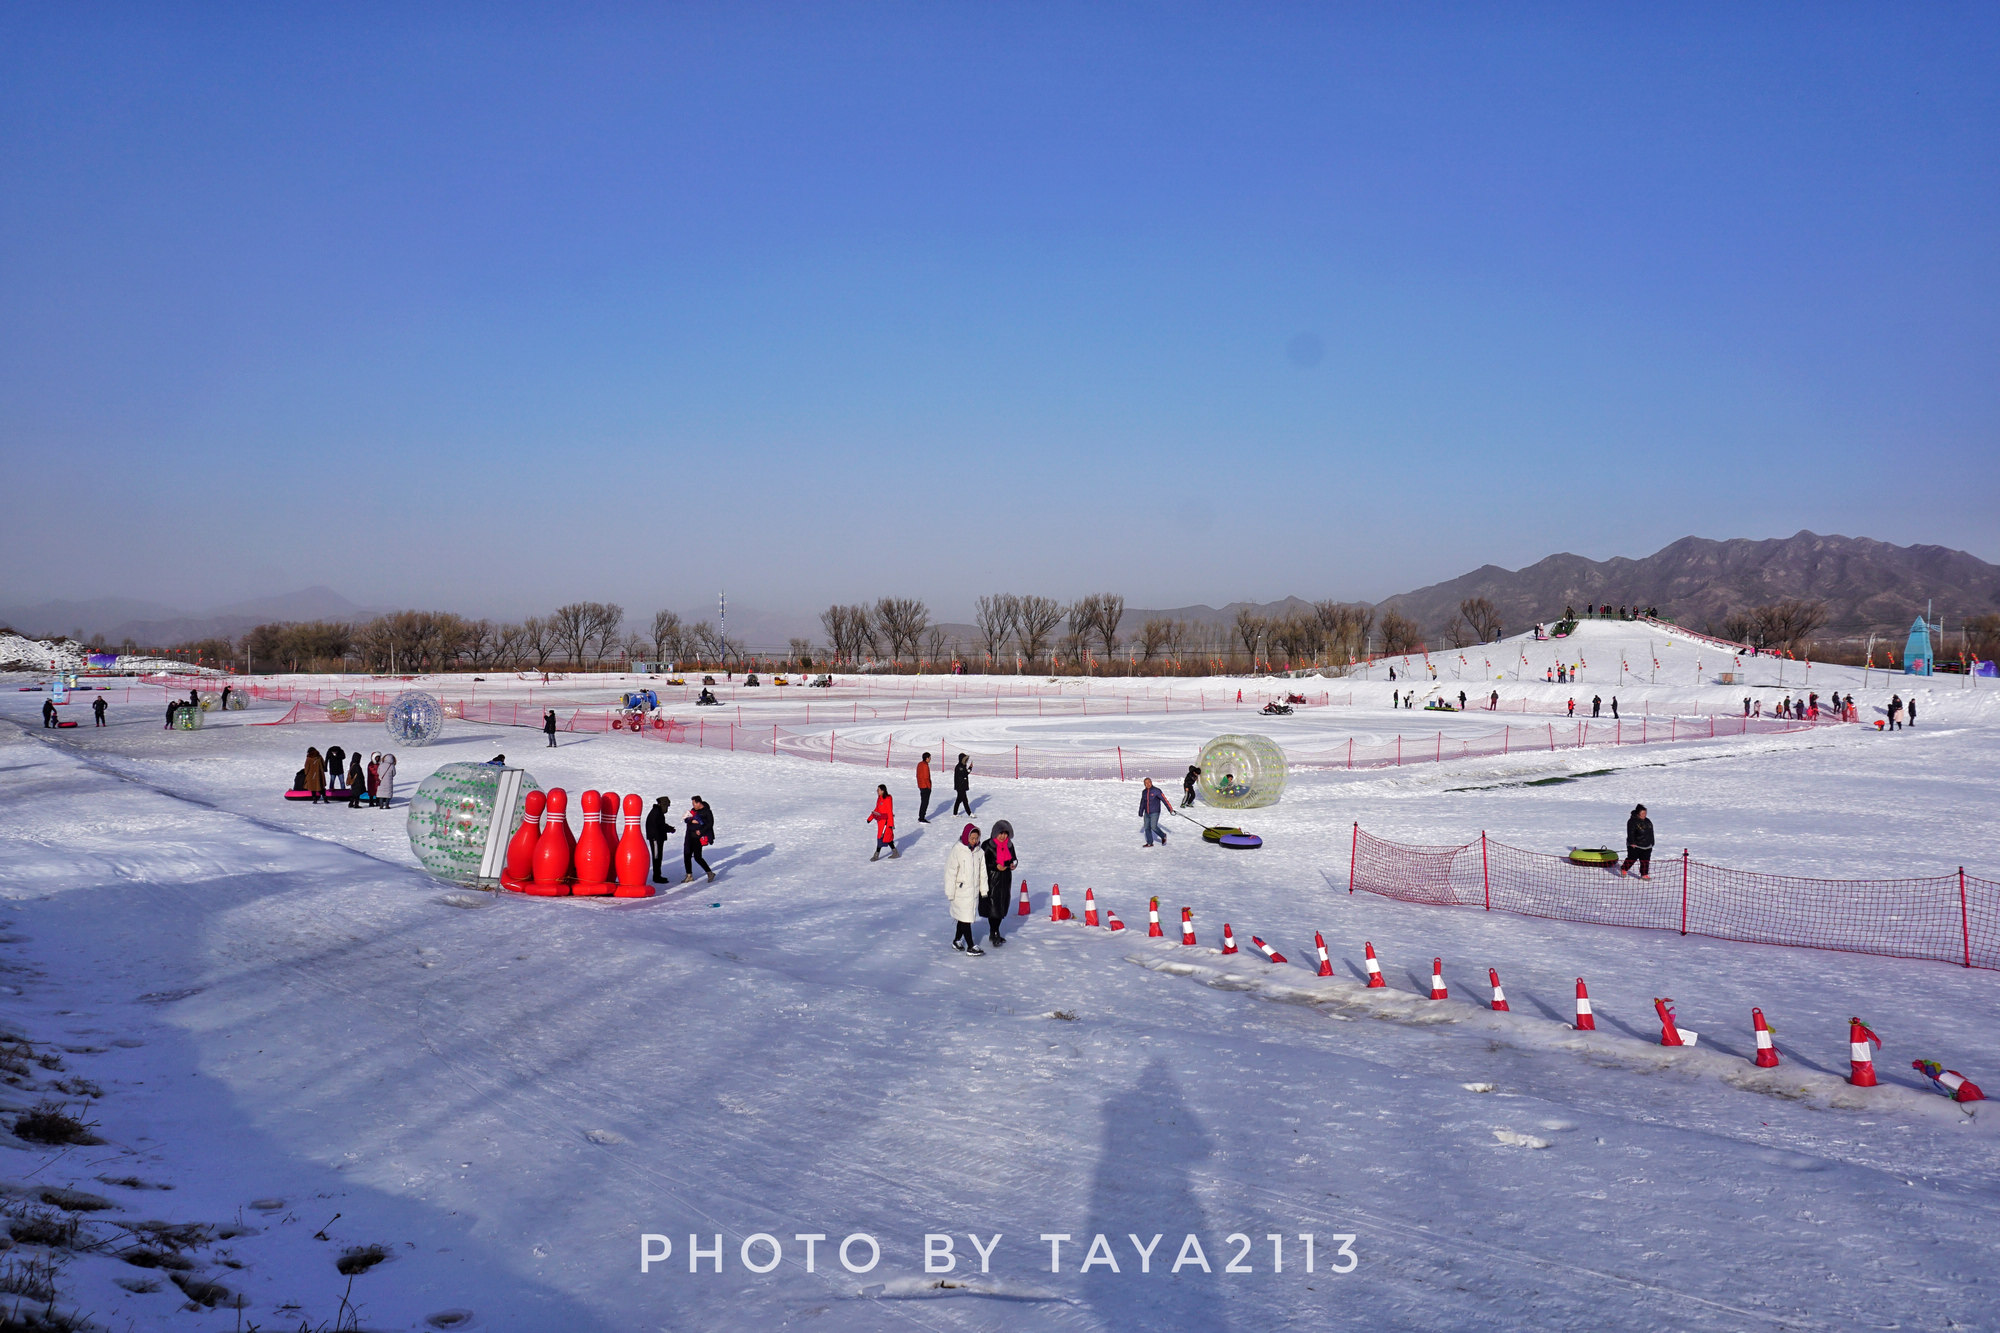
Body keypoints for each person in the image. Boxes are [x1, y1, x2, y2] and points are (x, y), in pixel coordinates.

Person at [943, 823, 987, 955]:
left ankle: (956, 940)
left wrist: (984, 890)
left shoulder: (980, 852)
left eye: (976, 838)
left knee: (963, 917)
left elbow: (982, 872)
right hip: (960, 891)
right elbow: (950, 871)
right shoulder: (957, 850)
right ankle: (971, 946)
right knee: (965, 919)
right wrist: (949, 892)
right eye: (972, 838)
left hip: (972, 892)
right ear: (966, 836)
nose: (974, 841)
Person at [981, 819, 1016, 946]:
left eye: (1006, 834)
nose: (1003, 836)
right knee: (993, 906)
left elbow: (1013, 858)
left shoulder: (1010, 845)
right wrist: (995, 867)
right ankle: (994, 932)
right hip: (992, 879)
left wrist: (1012, 864)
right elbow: (982, 863)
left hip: (1005, 879)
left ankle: (996, 931)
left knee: (1002, 906)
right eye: (1001, 833)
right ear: (995, 833)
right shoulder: (988, 845)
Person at [683, 796, 715, 883]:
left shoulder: (707, 812)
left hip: (698, 837)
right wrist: (690, 821)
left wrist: (701, 831)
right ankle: (689, 875)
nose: (693, 805)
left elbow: (710, 824)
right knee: (687, 854)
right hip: (689, 836)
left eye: (694, 803)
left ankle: (710, 873)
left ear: (699, 803)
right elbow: (686, 819)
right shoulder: (693, 810)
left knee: (697, 857)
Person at [1619, 804, 1655, 879]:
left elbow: (1651, 832)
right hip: (1635, 845)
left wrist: (1652, 842)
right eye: (1642, 813)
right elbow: (1630, 833)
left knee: (1645, 861)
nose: (1644, 815)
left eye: (1645, 813)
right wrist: (1632, 842)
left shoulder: (1647, 821)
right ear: (1638, 813)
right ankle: (1624, 869)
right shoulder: (1632, 821)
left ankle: (1644, 874)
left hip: (1647, 845)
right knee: (1632, 859)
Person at [644, 796, 673, 882]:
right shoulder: (657, 812)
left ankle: (657, 875)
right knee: (657, 857)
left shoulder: (657, 811)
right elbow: (660, 825)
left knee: (658, 857)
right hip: (655, 838)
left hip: (656, 838)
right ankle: (656, 877)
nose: (667, 808)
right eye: (667, 806)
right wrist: (670, 829)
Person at [868, 784, 899, 861]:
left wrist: (891, 824)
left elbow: (889, 812)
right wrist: (870, 818)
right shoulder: (879, 798)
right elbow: (877, 809)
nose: (877, 791)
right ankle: (895, 852)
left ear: (883, 790)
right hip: (880, 822)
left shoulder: (888, 799)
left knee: (881, 838)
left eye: (878, 790)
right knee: (887, 839)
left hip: (886, 823)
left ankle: (876, 855)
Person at [1138, 777, 1172, 847]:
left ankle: (1163, 835)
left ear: (1151, 782)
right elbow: (1142, 803)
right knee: (1147, 827)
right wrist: (1141, 811)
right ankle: (1150, 843)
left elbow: (1164, 800)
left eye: (1149, 782)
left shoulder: (1157, 791)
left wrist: (1170, 809)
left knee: (1153, 827)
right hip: (1147, 813)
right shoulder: (1144, 792)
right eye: (1146, 783)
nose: (1148, 784)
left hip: (1155, 812)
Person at [916, 752, 934, 824]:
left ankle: (921, 816)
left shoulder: (919, 764)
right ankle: (922, 817)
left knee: (923, 802)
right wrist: (929, 787)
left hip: (921, 785)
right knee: (925, 803)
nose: (930, 759)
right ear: (926, 758)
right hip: (925, 786)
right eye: (929, 758)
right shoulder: (925, 766)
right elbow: (926, 777)